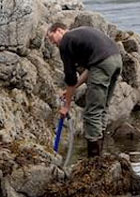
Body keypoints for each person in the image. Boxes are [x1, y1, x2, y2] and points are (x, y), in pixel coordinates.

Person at [46, 22, 123, 156]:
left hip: (103, 63)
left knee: (92, 113)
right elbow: (90, 69)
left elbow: (70, 78)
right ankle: (100, 152)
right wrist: (74, 88)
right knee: (102, 109)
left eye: (52, 39)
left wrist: (66, 106)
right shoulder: (79, 34)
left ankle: (93, 159)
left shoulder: (66, 41)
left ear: (59, 30)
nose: (54, 44)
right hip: (116, 59)